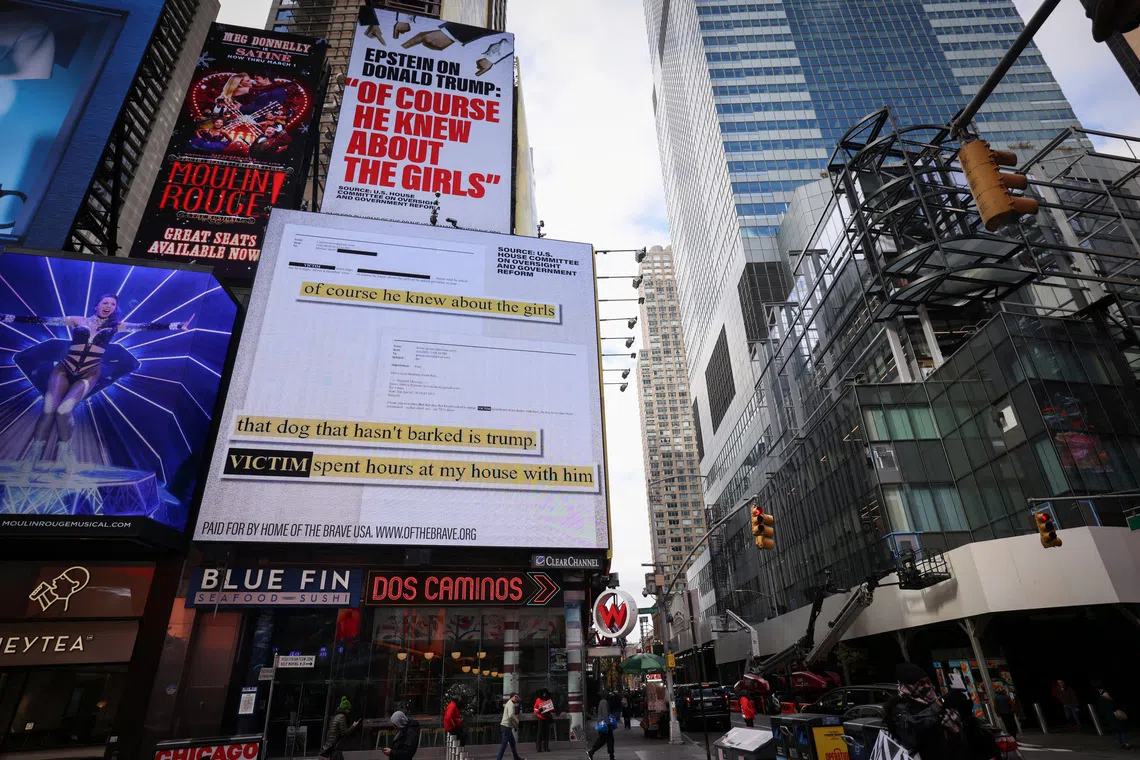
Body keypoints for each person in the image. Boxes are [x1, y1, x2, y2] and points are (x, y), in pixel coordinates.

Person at [3, 296, 193, 473]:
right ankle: (33, 455)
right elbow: (43, 320)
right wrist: (6, 317)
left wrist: (178, 326)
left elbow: (146, 327)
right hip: (63, 369)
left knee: (63, 411)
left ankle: (65, 453)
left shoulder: (117, 326)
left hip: (90, 372)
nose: (109, 306)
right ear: (97, 305)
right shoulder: (78, 320)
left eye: (112, 304)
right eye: (105, 303)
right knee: (48, 410)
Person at [884, 662, 966, 760]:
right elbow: (912, 730)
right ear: (908, 687)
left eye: (928, 682)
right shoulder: (899, 707)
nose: (927, 686)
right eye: (921, 684)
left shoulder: (933, 702)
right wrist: (939, 705)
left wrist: (966, 712)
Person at [496, 693, 525, 760]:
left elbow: (510, 716)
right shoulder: (511, 704)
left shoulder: (509, 703)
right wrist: (516, 721)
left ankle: (516, 758)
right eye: (516, 697)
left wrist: (514, 725)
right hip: (506, 727)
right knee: (504, 745)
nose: (516, 698)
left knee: (512, 743)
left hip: (507, 727)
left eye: (517, 697)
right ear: (512, 697)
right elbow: (511, 716)